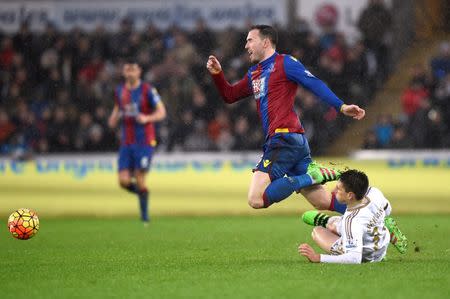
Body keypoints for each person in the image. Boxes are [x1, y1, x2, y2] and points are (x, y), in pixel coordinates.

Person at [206, 25, 365, 211]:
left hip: (284, 138)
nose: (246, 45)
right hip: (294, 142)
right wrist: (218, 74)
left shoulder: (285, 63)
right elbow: (230, 95)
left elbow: (313, 83)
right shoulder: (254, 74)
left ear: (265, 42)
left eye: (250, 40)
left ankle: (313, 175)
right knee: (322, 201)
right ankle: (371, 217)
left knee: (256, 199)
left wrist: (341, 106)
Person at [298, 170, 407, 264]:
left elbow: (354, 258)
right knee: (340, 226)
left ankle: (325, 221)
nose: (333, 192)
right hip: (382, 244)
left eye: (338, 189)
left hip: (368, 257)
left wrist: (318, 257)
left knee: (317, 232)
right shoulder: (374, 193)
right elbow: (387, 210)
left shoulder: (351, 221)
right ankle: (328, 221)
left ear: (350, 195)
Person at [108, 60, 166, 224]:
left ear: (139, 71)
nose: (130, 72)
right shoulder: (120, 91)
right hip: (126, 142)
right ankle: (143, 194)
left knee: (140, 178)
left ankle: (144, 218)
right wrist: (113, 119)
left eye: (133, 69)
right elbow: (118, 109)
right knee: (123, 181)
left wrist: (147, 117)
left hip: (144, 141)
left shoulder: (147, 90)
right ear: (123, 72)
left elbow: (162, 112)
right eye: (127, 69)